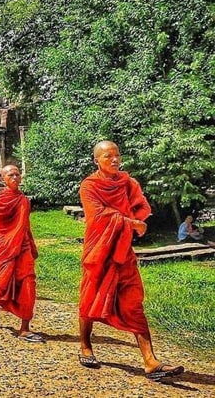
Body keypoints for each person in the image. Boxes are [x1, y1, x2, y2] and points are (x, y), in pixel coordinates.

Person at [78, 140, 183, 380]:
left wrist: (134, 219)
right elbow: (98, 215)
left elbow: (141, 206)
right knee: (90, 296)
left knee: (133, 302)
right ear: (97, 161)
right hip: (99, 251)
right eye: (108, 156)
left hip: (122, 251)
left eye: (117, 155)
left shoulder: (128, 182)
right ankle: (85, 345)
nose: (114, 160)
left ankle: (150, 360)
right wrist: (129, 222)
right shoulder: (89, 186)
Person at [0, 164, 43, 343]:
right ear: (2, 179)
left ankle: (24, 328)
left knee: (28, 285)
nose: (15, 178)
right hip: (5, 250)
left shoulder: (24, 200)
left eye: (17, 174)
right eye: (10, 175)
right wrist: (2, 243)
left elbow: (25, 226)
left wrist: (31, 245)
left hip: (22, 249)